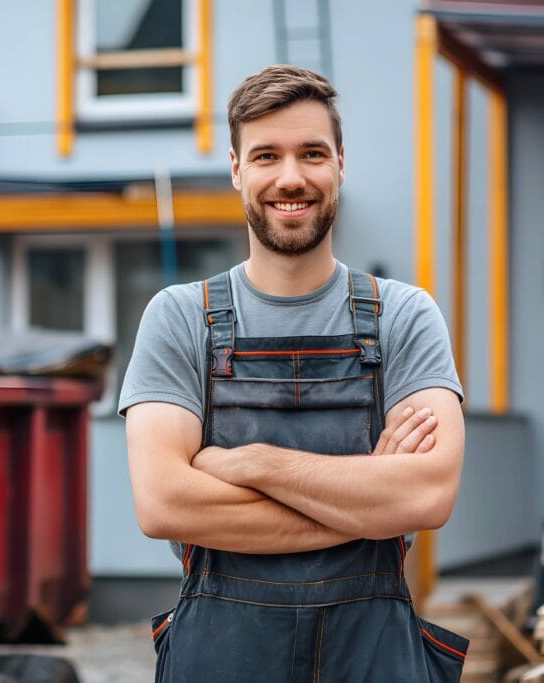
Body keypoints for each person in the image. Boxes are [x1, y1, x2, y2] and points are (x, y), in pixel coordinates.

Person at [118, 65, 469, 681]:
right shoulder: (178, 319)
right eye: (266, 155)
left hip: (372, 657)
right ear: (236, 169)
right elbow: (164, 502)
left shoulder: (405, 316)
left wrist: (249, 464)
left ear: (339, 163)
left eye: (311, 153)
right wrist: (367, 502)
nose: (291, 177)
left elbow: (427, 495)